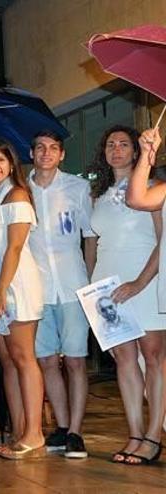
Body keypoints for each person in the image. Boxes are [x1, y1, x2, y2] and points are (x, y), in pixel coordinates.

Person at [90, 125, 165, 465]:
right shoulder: (99, 195)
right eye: (110, 144)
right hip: (107, 287)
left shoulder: (153, 189)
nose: (116, 149)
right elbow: (95, 245)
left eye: (124, 144)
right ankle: (134, 433)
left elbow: (163, 243)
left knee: (153, 358)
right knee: (124, 360)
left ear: (137, 151)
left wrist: (139, 282)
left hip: (145, 281)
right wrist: (92, 291)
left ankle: (153, 436)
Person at [0, 139, 45, 459]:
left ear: (12, 163)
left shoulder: (17, 195)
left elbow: (14, 248)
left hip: (15, 286)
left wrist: (2, 290)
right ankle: (18, 430)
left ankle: (35, 433)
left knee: (23, 358)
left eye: (0, 160)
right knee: (7, 363)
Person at [27, 130, 94, 458]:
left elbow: (90, 236)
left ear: (62, 154)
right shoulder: (20, 190)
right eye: (40, 148)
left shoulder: (77, 188)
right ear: (32, 153)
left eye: (53, 148)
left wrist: (91, 281)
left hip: (72, 286)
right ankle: (63, 426)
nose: (46, 153)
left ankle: (77, 432)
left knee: (77, 361)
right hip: (36, 290)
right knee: (48, 361)